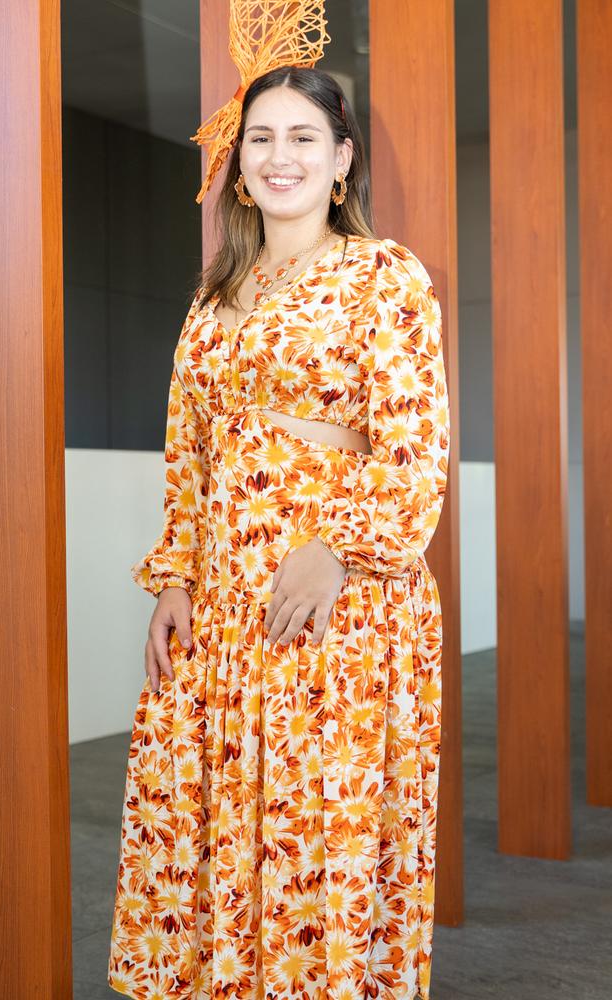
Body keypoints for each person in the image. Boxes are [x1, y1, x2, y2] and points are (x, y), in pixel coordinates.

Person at [108, 65, 449, 1000]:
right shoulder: (214, 298)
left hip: (335, 607)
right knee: (211, 828)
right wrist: (175, 576)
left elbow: (416, 447)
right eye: (260, 137)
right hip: (220, 608)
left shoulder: (384, 275)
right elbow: (190, 454)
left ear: (342, 160)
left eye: (303, 137)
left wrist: (335, 545)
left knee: (311, 834)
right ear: (238, 161)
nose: (278, 155)